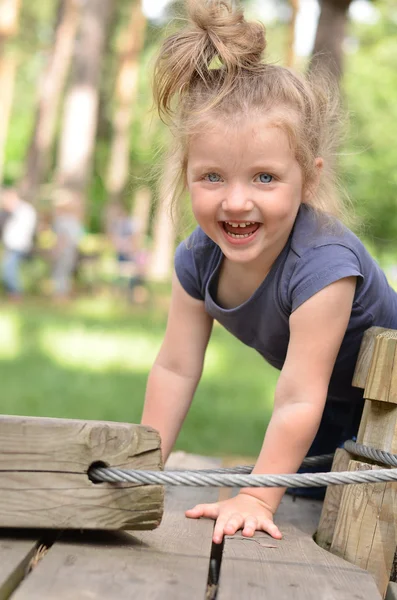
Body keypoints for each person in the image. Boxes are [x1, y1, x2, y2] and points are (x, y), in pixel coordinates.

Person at [140, 0, 397, 545]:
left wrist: (258, 495)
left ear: (307, 179)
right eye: (212, 176)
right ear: (185, 174)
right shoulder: (197, 259)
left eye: (263, 177)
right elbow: (175, 368)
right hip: (336, 416)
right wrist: (142, 469)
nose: (236, 202)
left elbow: (299, 396)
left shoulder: (322, 266)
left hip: (388, 412)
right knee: (313, 492)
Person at [0, 188, 37, 299]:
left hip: (19, 245)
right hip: (11, 245)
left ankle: (15, 293)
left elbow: (25, 231)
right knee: (10, 268)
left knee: (8, 269)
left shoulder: (25, 211)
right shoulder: (12, 211)